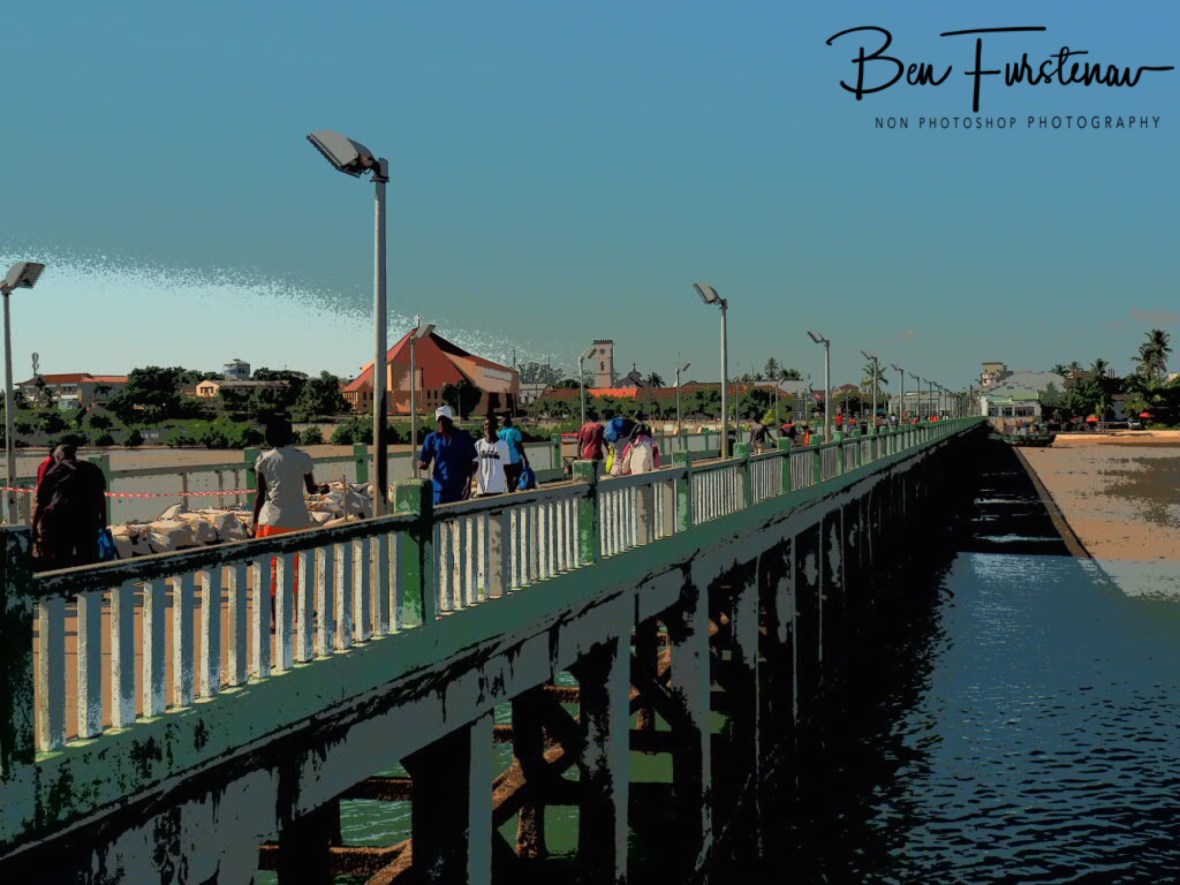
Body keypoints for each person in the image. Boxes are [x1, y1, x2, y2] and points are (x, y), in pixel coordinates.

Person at [31, 443, 108, 571]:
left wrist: (34, 527)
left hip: (61, 523)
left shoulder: (53, 472)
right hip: (87, 520)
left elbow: (41, 502)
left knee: (61, 560)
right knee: (89, 559)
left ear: (58, 457)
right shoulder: (92, 469)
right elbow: (100, 497)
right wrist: (104, 519)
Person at [251, 417, 321, 540]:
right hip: (298, 520)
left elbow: (260, 495)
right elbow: (311, 489)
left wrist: (254, 522)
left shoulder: (263, 459)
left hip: (271, 519)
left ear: (268, 437)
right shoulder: (302, 458)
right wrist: (323, 488)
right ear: (290, 436)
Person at [418, 405, 478, 505]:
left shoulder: (463, 437)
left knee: (458, 514)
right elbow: (424, 461)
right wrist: (423, 465)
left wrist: (468, 485)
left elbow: (472, 463)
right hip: (439, 489)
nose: (441, 423)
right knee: (440, 514)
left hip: (459, 489)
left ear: (450, 420)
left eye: (444, 420)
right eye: (439, 420)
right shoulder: (431, 438)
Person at [474, 416, 512, 496]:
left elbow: (507, 468)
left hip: (498, 489)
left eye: (491, 425)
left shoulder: (503, 445)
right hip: (482, 489)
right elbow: (474, 466)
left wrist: (510, 486)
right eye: (486, 424)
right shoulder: (478, 444)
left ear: (496, 427)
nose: (488, 427)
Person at [498, 414, 527, 492]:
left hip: (505, 460)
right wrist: (525, 458)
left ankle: (511, 491)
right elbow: (519, 446)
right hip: (515, 458)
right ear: (511, 422)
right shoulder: (515, 432)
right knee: (518, 473)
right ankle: (513, 488)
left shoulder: (500, 433)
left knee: (509, 478)